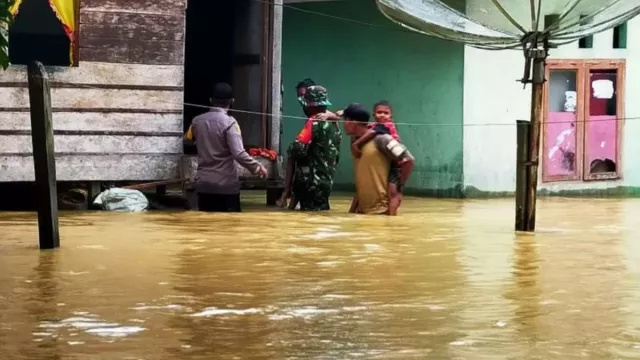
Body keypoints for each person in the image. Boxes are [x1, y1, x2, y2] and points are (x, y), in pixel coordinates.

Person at [186, 82, 267, 212]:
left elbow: (189, 140)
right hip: (226, 188)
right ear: (232, 101)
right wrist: (257, 167)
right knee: (230, 229)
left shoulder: (196, 121)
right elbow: (239, 153)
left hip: (204, 186)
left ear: (211, 100)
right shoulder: (230, 123)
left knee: (206, 228)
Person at [277, 81, 341, 208]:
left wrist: (287, 189)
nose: (304, 107)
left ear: (312, 105)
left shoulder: (313, 122)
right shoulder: (335, 124)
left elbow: (296, 149)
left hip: (311, 183)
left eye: (306, 104)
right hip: (326, 181)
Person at [343, 103, 414, 215]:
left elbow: (408, 160)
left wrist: (399, 188)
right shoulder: (355, 143)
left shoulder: (381, 139)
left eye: (345, 120)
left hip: (381, 214)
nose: (343, 124)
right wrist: (351, 212)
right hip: (363, 214)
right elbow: (362, 181)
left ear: (353, 122)